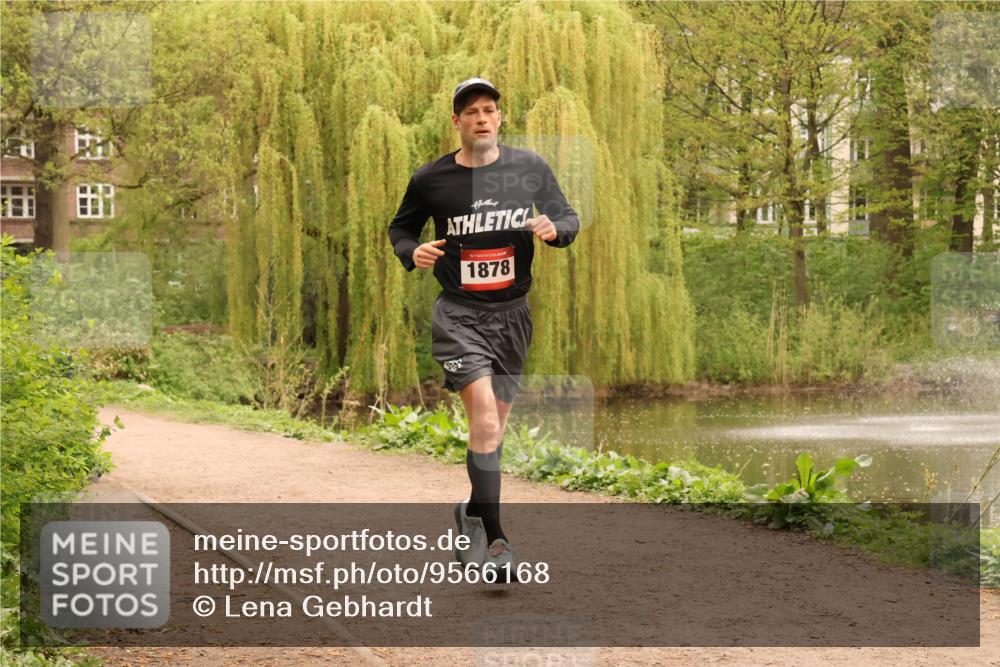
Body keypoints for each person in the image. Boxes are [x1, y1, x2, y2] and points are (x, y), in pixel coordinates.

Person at [387, 77, 580, 578]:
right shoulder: (432, 179)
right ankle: (497, 543)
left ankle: (471, 512)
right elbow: (401, 228)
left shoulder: (529, 168)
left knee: (494, 434)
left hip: (513, 317)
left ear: (500, 118)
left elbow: (567, 215)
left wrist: (556, 229)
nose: (481, 118)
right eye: (470, 111)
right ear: (457, 122)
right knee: (486, 423)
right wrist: (414, 252)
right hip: (459, 315)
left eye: (489, 109)